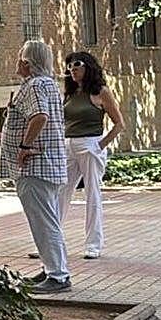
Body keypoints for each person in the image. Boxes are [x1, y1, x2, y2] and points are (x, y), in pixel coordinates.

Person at [0, 41, 70, 293]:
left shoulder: (35, 85)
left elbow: (40, 116)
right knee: (47, 220)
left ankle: (58, 275)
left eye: (19, 58)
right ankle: (52, 267)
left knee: (44, 222)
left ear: (26, 63)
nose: (17, 62)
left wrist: (25, 147)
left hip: (35, 166)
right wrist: (5, 136)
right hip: (46, 165)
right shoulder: (47, 83)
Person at [59, 51, 125, 259]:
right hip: (68, 144)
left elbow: (119, 124)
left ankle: (93, 245)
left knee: (92, 194)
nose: (73, 69)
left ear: (88, 66)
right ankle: (51, 240)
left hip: (90, 142)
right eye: (69, 66)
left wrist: (100, 145)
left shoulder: (101, 92)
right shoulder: (69, 93)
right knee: (61, 192)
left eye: (77, 64)